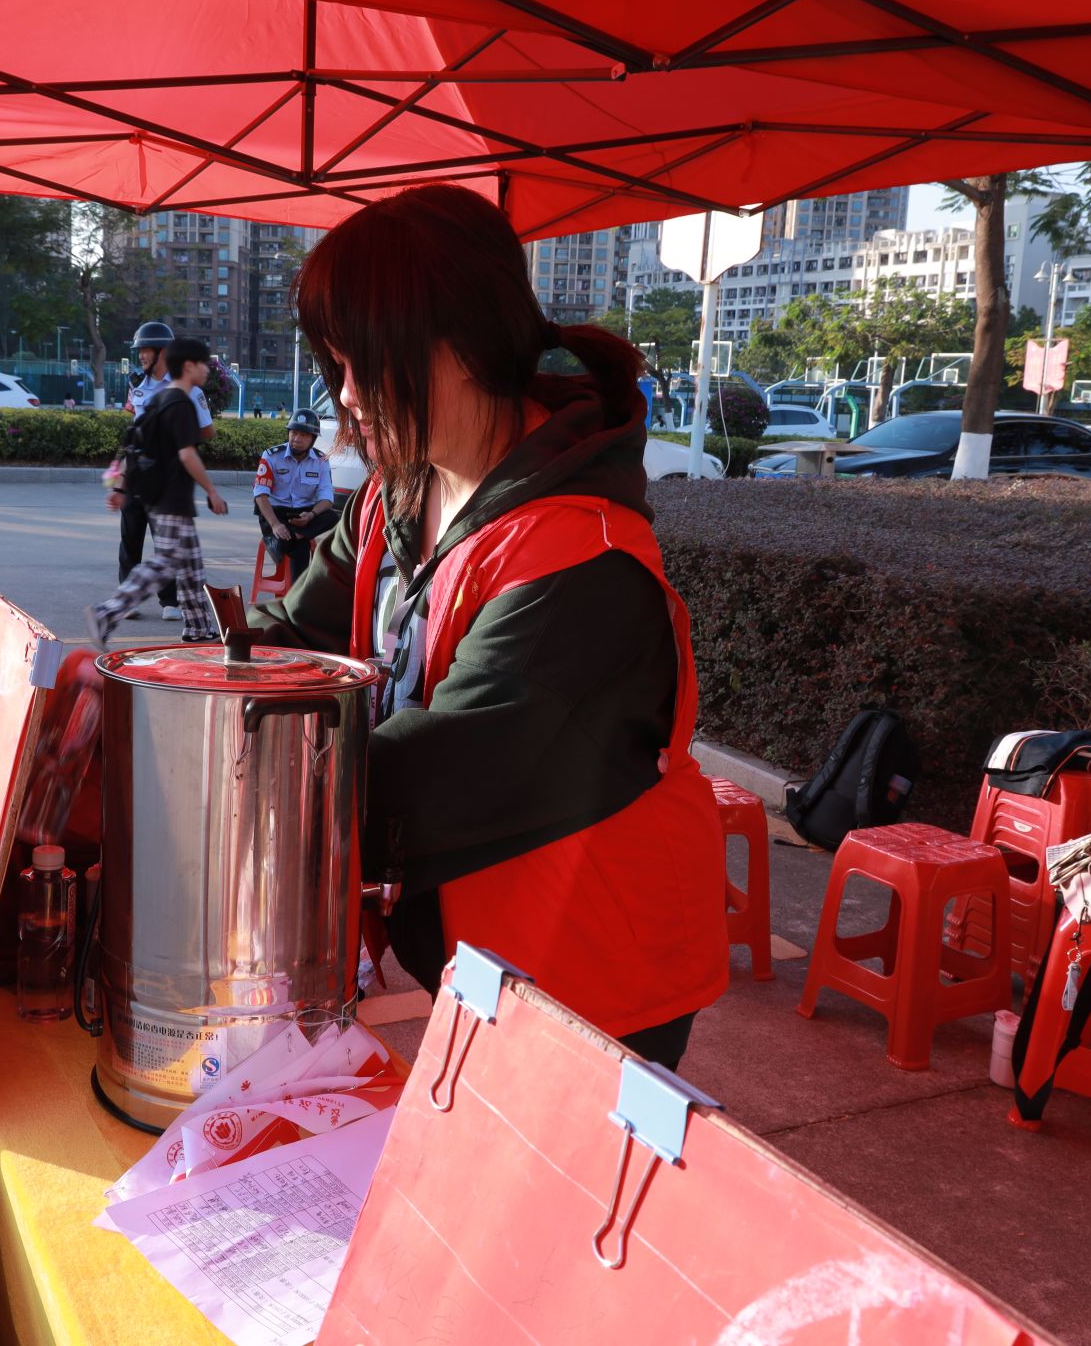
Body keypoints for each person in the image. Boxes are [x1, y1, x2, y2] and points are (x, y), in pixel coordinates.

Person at [248, 186, 726, 1069]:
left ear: (465, 344)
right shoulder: (399, 492)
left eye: (367, 361)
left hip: (595, 972)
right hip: (482, 949)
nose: (345, 395)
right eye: (337, 364)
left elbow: (423, 775)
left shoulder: (583, 558)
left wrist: (215, 780)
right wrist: (178, 687)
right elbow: (291, 637)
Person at [90, 338, 228, 645]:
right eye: (204, 364)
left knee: (191, 565)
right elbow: (187, 455)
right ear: (189, 366)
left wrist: (121, 487)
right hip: (171, 497)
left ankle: (198, 628)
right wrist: (212, 491)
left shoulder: (159, 399)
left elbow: (134, 445)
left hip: (161, 496)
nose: (207, 370)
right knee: (164, 563)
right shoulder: (181, 404)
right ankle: (106, 613)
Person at [117, 321, 211, 622]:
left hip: (166, 478)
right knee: (131, 537)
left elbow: (206, 430)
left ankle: (169, 601)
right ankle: (127, 599)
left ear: (162, 352)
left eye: (146, 350)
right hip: (137, 473)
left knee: (165, 544)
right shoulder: (136, 386)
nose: (141, 356)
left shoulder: (186, 387)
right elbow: (132, 429)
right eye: (140, 350)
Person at [251, 408, 339, 577]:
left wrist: (311, 516)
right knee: (299, 547)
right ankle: (297, 537)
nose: (297, 438)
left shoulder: (321, 461)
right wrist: (275, 525)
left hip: (304, 514)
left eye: (304, 435)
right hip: (275, 513)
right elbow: (260, 495)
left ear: (313, 439)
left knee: (332, 517)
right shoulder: (271, 456)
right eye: (294, 433)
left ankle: (293, 536)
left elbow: (327, 499)